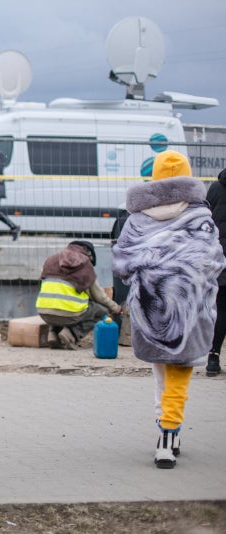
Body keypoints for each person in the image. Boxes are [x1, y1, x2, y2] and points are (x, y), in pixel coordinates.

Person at [112, 150, 225, 469]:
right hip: (192, 311)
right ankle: (169, 431)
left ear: (156, 177)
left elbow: (122, 261)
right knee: (179, 372)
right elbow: (214, 260)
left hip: (149, 309)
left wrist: (149, 271)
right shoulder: (200, 216)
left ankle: (167, 428)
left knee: (161, 370)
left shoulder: (137, 218)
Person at [36, 240, 121, 350]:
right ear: (89, 254)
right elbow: (99, 296)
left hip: (44, 312)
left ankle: (53, 334)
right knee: (100, 311)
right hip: (68, 315)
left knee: (58, 304)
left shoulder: (51, 259)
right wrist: (116, 308)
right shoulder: (85, 264)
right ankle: (71, 334)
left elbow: (41, 286)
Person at [204, 166, 226, 377]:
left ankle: (213, 356)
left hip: (221, 256)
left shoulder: (217, 188)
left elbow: (207, 222)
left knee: (222, 309)